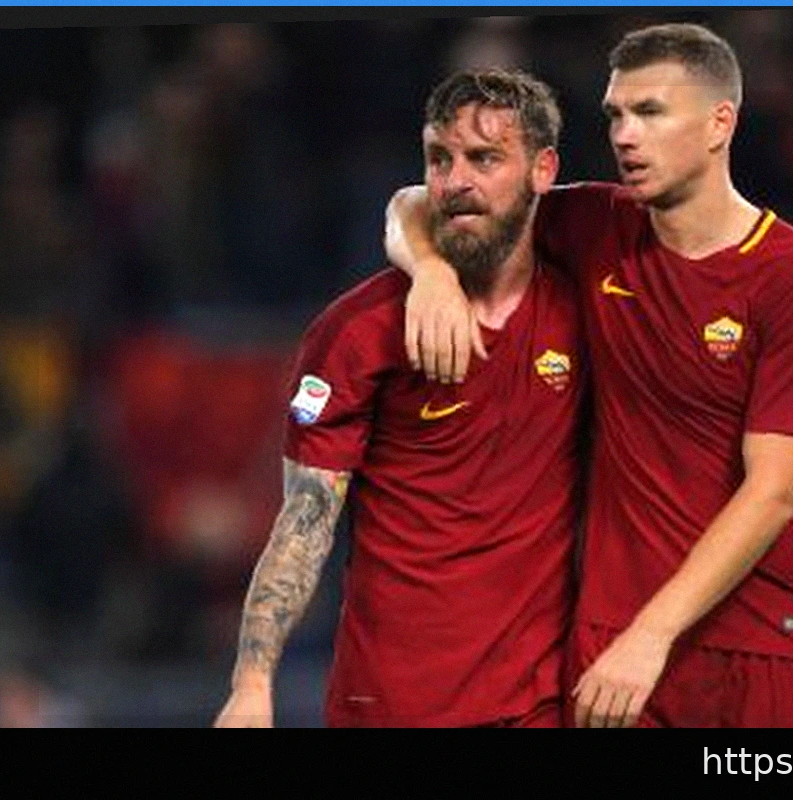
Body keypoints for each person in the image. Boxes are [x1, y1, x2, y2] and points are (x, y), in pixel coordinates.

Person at [387, 24, 793, 728]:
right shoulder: (597, 225)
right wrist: (432, 273)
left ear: (719, 124)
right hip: (615, 645)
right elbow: (419, 201)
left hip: (748, 644)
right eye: (616, 115)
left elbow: (772, 493)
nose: (625, 135)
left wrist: (660, 634)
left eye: (650, 112)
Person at [215, 70, 584, 727]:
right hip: (389, 707)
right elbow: (304, 521)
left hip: (540, 707)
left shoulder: (590, 311)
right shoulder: (357, 331)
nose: (456, 181)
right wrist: (252, 683)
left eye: (484, 158)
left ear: (543, 169)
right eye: (440, 159)